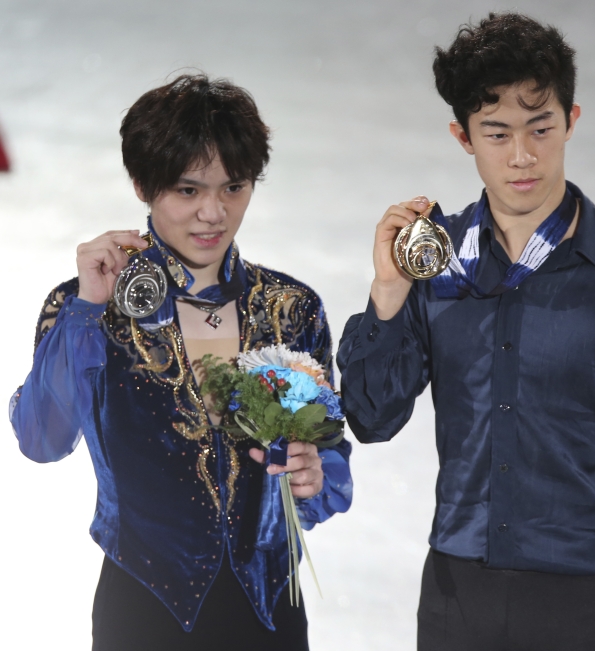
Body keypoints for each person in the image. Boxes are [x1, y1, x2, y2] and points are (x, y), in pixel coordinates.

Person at [337, 12, 595, 651]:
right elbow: (371, 418)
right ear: (463, 136)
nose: (523, 156)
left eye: (541, 128)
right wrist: (389, 290)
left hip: (592, 598)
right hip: (457, 597)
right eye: (497, 133)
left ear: (572, 120)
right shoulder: (433, 261)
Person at [10, 74, 352, 650]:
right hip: (142, 610)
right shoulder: (90, 310)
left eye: (233, 188)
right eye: (188, 191)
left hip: (268, 613)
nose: (213, 213)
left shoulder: (291, 310)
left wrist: (314, 478)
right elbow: (41, 439)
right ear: (144, 185)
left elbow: (328, 464)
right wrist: (87, 312)